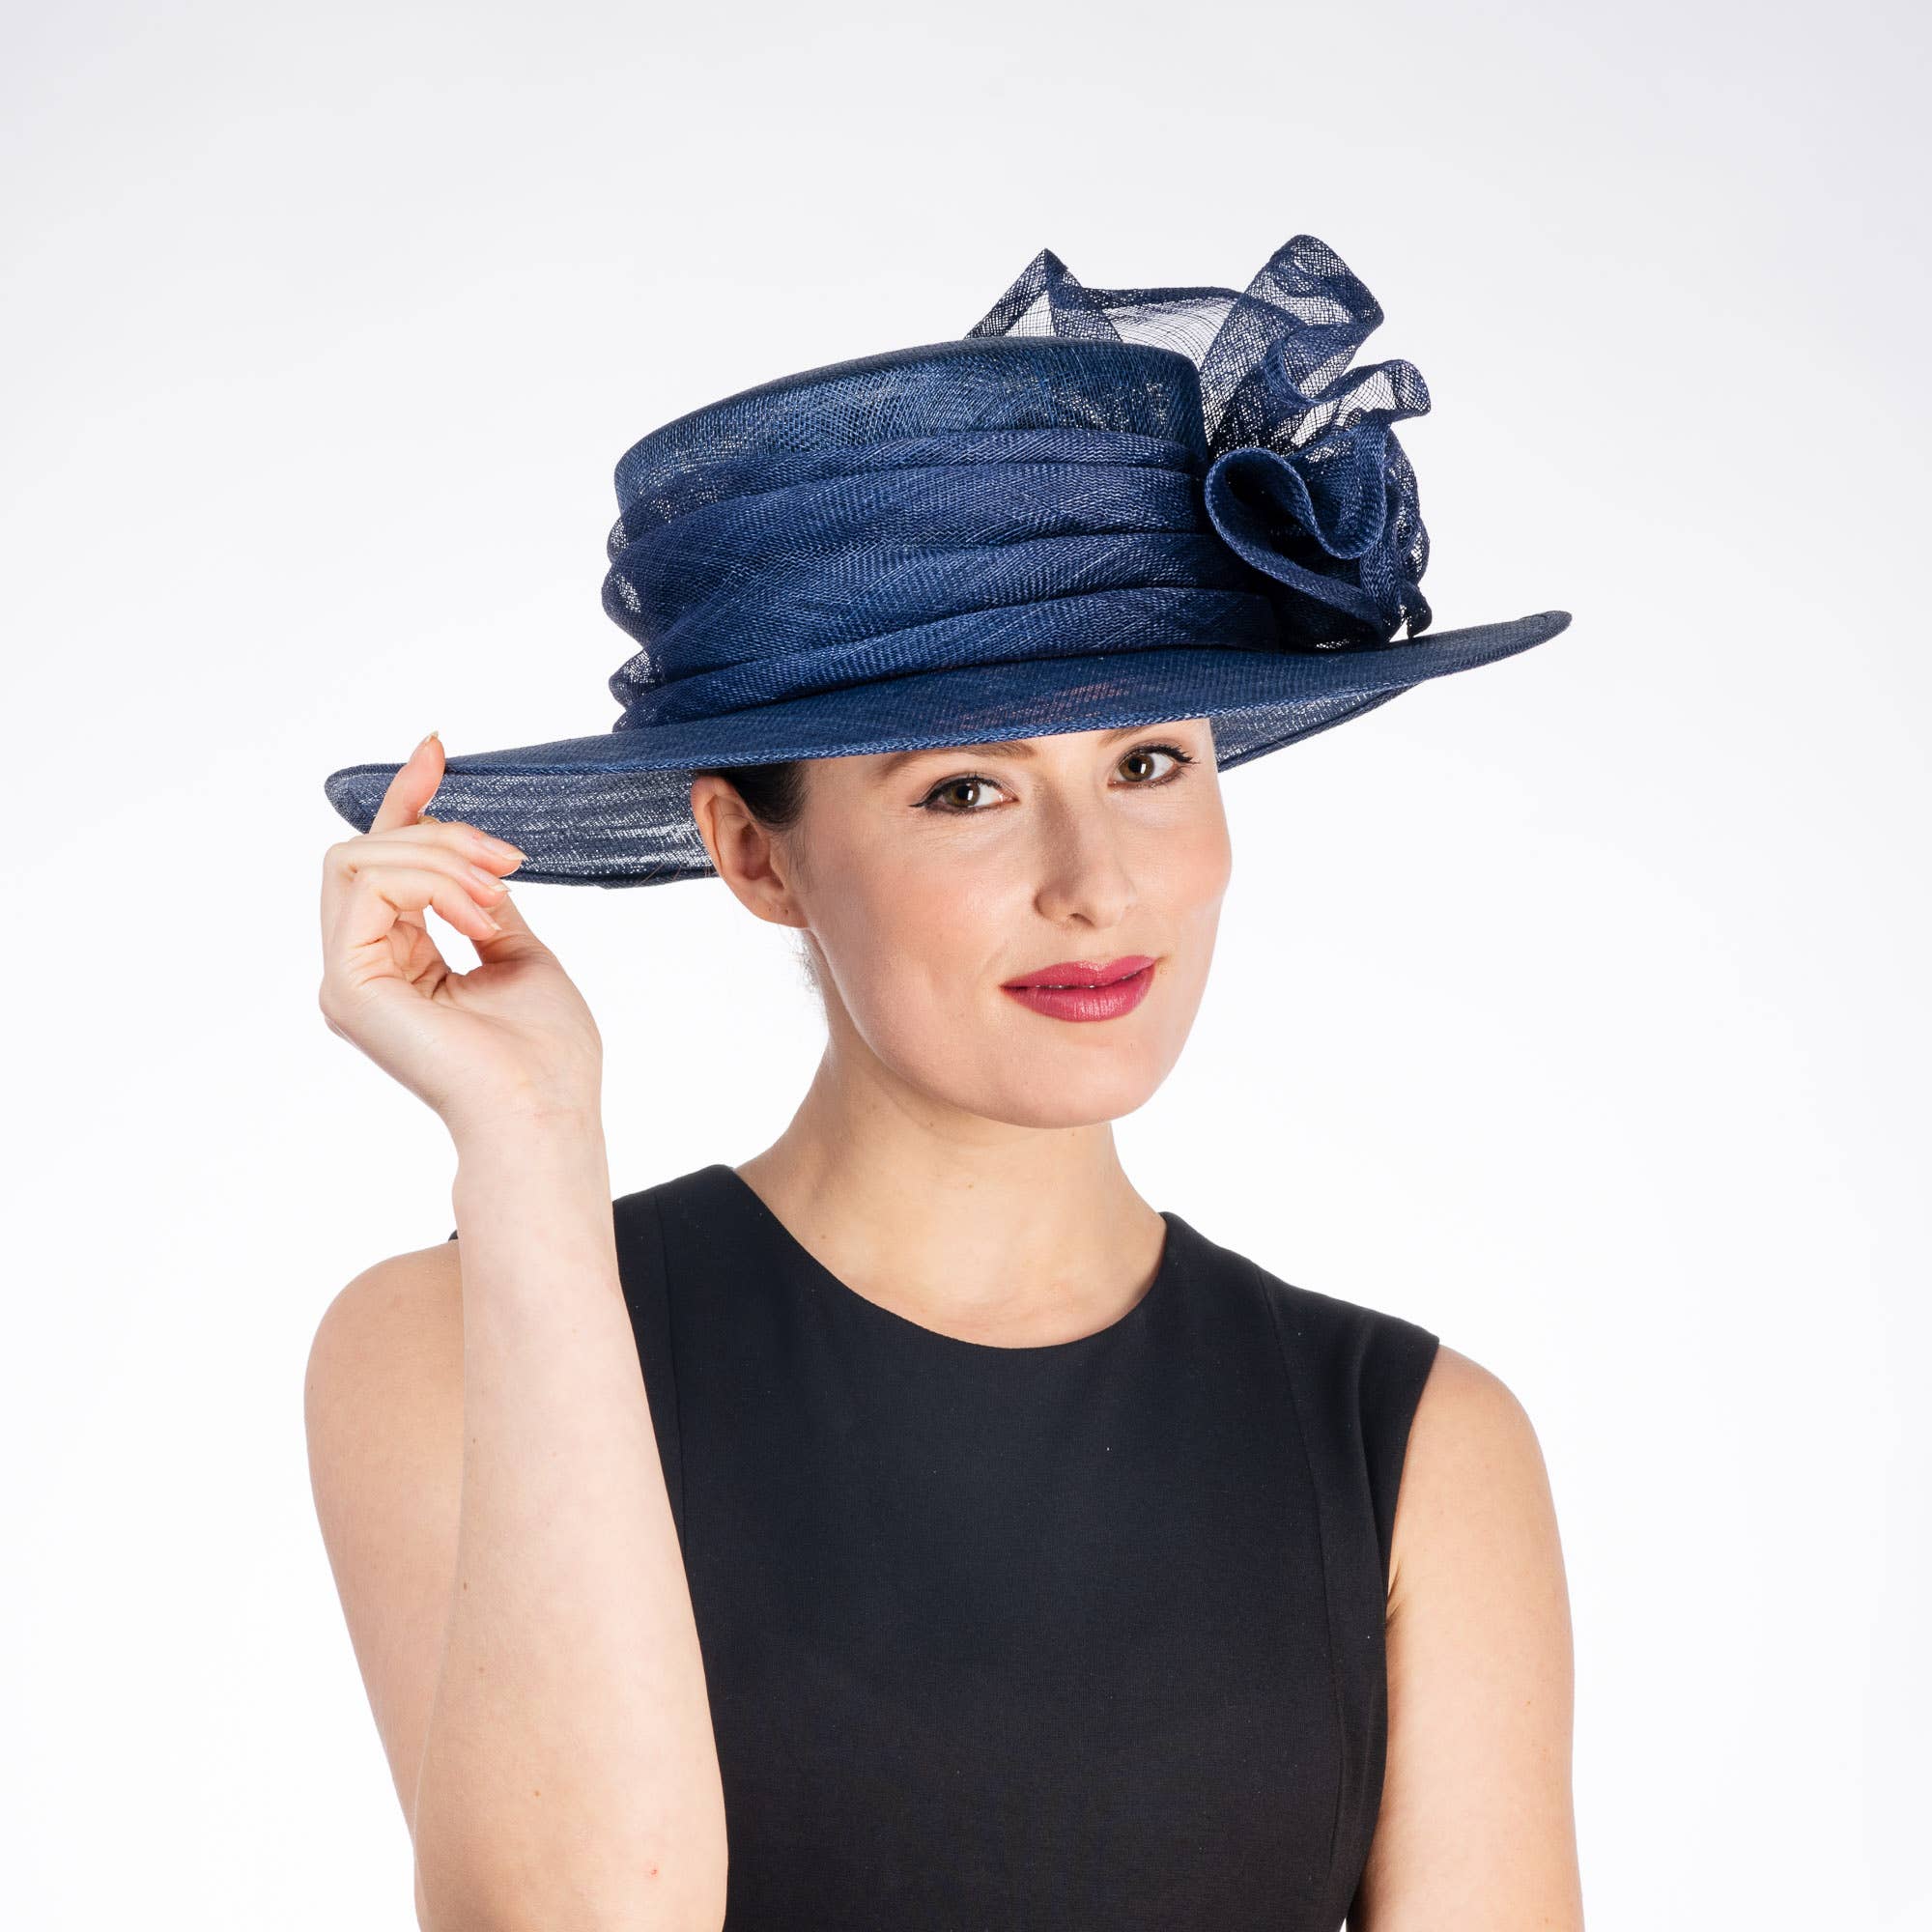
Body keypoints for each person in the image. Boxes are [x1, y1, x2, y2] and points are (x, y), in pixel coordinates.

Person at [307, 234, 1585, 1930]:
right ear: (754, 855)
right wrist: (531, 1145)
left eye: (1149, 762)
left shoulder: (1419, 1451)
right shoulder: (448, 1343)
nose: (1097, 886)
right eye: (966, 793)